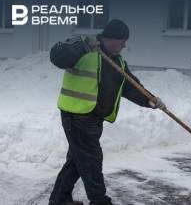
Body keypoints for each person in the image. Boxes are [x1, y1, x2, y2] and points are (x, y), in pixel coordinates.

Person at [48, 19, 165, 205]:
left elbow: (130, 86)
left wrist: (150, 100)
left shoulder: (117, 61)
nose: (125, 45)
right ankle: (99, 201)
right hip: (77, 115)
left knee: (77, 160)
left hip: (94, 117)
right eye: (123, 41)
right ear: (112, 39)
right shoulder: (85, 48)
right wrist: (84, 46)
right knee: (91, 160)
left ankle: (59, 199)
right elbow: (57, 56)